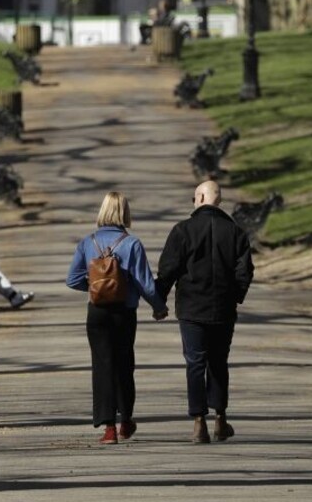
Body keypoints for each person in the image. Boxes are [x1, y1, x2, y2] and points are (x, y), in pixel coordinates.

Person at [66, 191, 169, 445]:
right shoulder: (132, 244)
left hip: (97, 312)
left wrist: (94, 287)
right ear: (125, 213)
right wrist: (159, 307)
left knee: (102, 366)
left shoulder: (87, 242)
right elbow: (145, 283)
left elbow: (72, 279)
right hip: (124, 312)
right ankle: (126, 421)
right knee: (124, 364)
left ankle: (108, 427)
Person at [156, 180, 254, 444]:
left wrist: (159, 301)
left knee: (195, 363)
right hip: (223, 309)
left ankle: (199, 421)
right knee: (219, 362)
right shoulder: (235, 233)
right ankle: (220, 418)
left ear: (199, 198)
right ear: (218, 201)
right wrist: (235, 297)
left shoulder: (182, 231)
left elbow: (168, 270)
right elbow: (245, 271)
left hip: (191, 309)